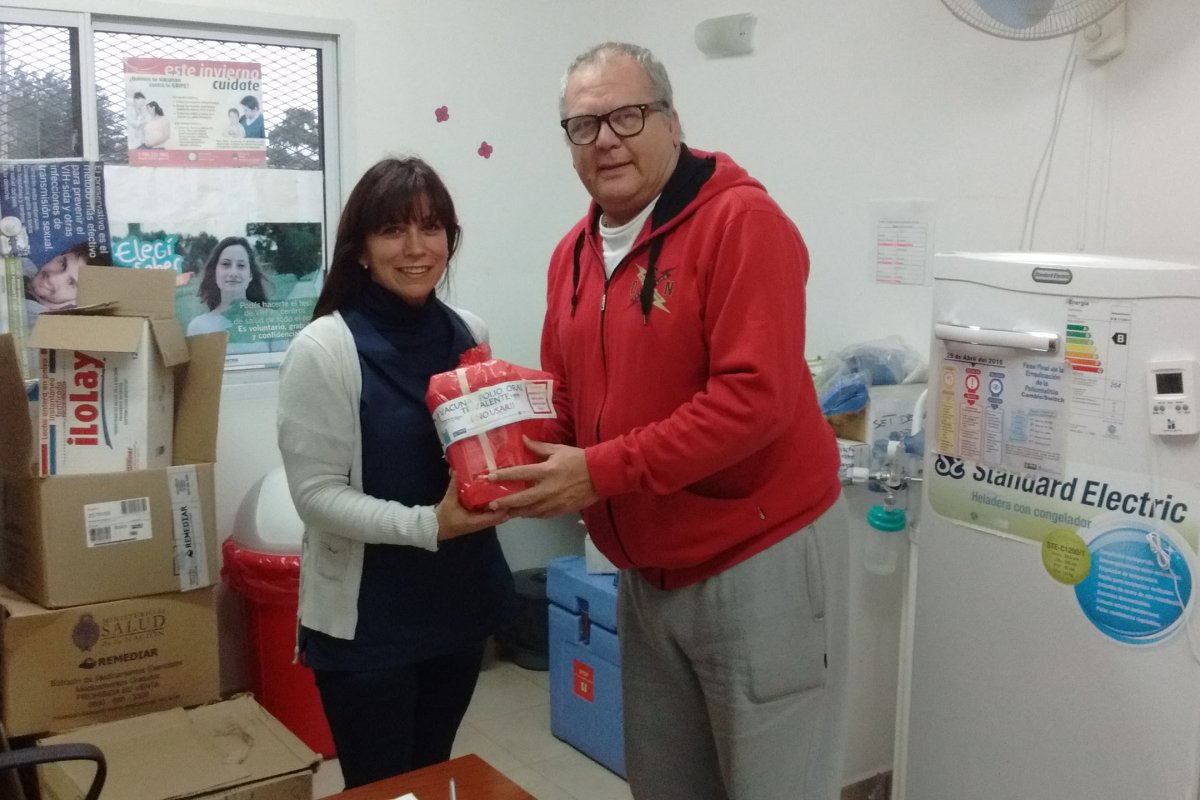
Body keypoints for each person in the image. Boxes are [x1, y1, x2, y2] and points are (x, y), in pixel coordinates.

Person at [489, 42, 850, 800]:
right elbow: (565, 398)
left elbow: (752, 400)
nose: (606, 140)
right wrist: (498, 448)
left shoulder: (743, 224)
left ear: (672, 121)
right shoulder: (573, 254)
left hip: (756, 555)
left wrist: (599, 471)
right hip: (644, 571)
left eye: (627, 115)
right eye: (583, 126)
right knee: (665, 785)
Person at [276, 156, 515, 789]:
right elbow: (316, 497)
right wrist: (432, 524)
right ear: (359, 248)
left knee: (432, 775)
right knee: (382, 788)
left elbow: (480, 449)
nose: (415, 248)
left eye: (431, 228)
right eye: (392, 230)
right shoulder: (325, 349)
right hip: (370, 625)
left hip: (459, 604)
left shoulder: (469, 333)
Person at [187, 236, 269, 336]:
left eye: (241, 265)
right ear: (215, 272)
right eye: (226, 264)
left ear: (250, 275)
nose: (233, 273)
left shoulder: (270, 319)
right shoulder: (198, 327)